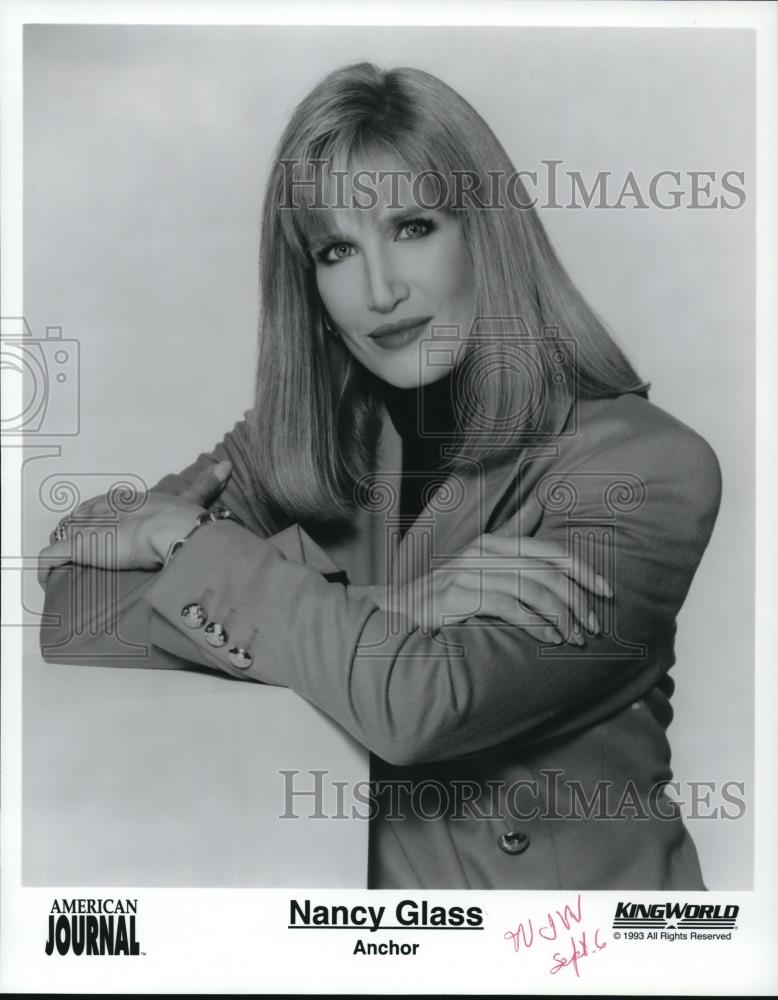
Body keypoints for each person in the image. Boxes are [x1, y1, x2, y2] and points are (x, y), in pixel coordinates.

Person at [37, 62, 722, 890]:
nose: (381, 290)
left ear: (487, 232)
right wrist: (391, 606)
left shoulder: (643, 466)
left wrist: (189, 542)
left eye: (412, 227)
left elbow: (420, 705)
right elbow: (73, 612)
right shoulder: (302, 444)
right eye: (336, 249)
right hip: (370, 945)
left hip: (582, 954)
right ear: (311, 285)